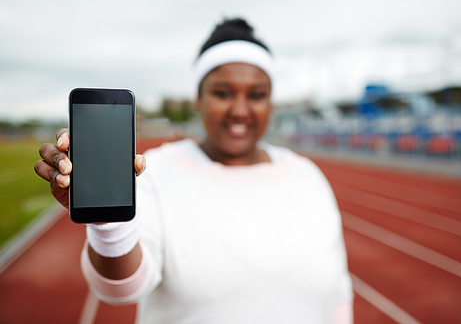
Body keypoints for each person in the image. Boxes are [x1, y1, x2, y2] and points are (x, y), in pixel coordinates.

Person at [35, 18, 353, 323]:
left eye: (256, 94)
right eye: (223, 93)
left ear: (270, 102)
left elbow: (339, 293)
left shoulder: (307, 177)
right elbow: (122, 287)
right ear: (197, 99)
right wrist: (109, 225)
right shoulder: (153, 171)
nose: (240, 110)